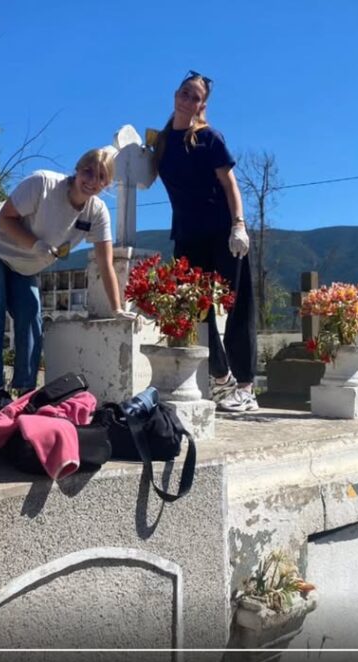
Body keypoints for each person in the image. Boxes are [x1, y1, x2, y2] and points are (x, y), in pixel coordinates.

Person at [0, 148, 133, 411]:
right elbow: (5, 217)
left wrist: (118, 309)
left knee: (31, 315)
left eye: (100, 176)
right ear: (77, 169)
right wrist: (35, 244)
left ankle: (26, 390)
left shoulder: (97, 213)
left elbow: (105, 262)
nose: (91, 180)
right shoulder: (43, 183)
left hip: (25, 262)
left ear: (107, 183)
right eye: (87, 171)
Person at [152, 70, 258, 412]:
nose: (188, 100)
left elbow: (230, 184)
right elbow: (141, 171)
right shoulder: (164, 142)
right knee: (194, 308)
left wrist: (239, 225)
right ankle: (220, 377)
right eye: (184, 93)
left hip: (223, 231)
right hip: (187, 234)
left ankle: (246, 387)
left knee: (236, 304)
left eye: (195, 97)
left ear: (202, 105)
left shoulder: (209, 138)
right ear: (175, 94)